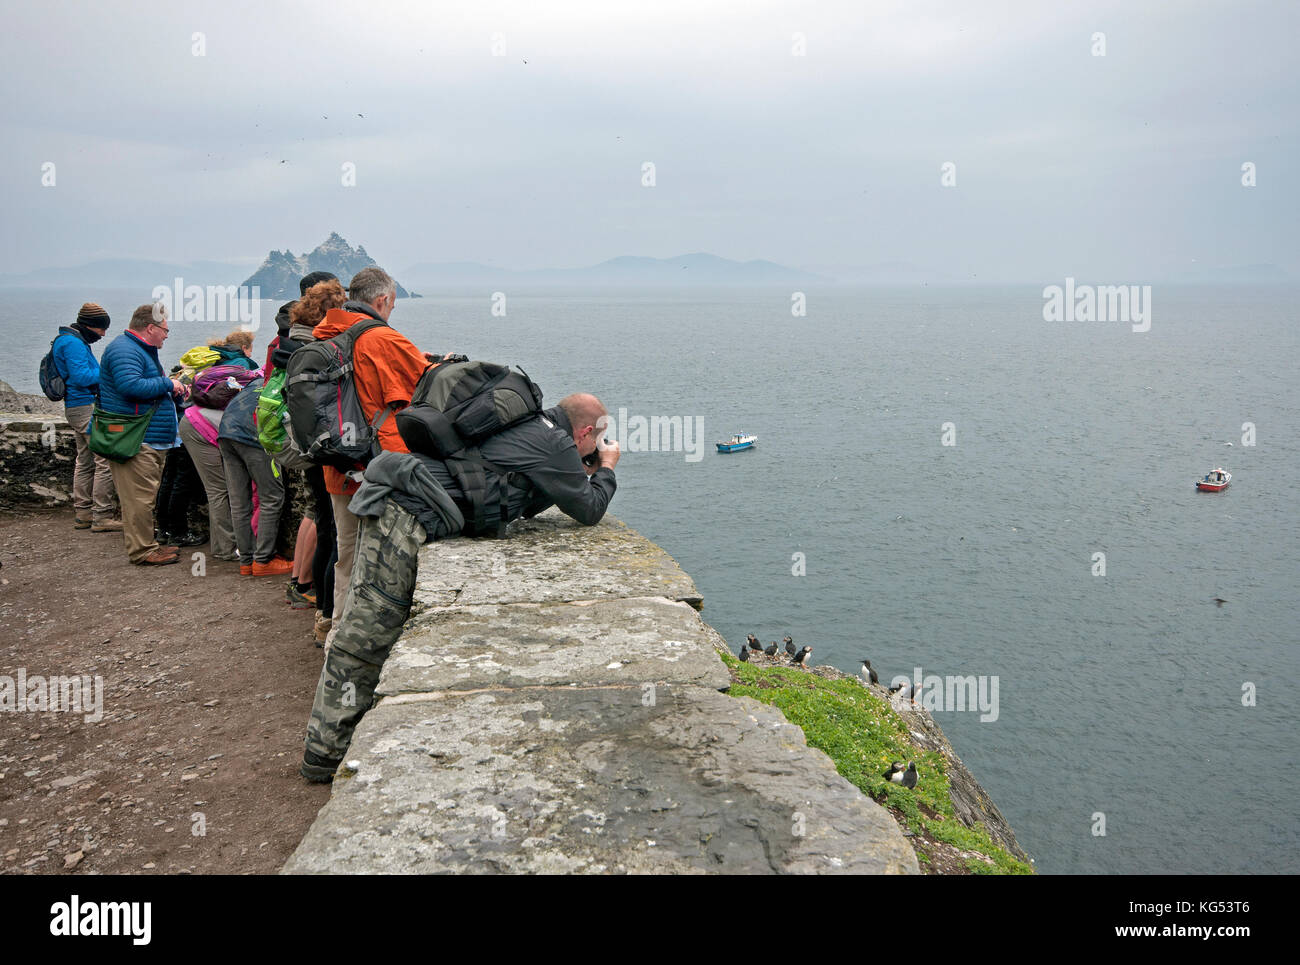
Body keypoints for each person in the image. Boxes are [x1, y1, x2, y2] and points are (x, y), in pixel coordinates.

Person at [301, 392, 620, 782]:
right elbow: (589, 510)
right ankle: (324, 753)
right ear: (586, 431)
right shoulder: (553, 443)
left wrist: (580, 465)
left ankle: (335, 741)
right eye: (595, 439)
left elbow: (530, 494)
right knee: (367, 632)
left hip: (399, 499)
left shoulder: (529, 425)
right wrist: (606, 467)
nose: (594, 447)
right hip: (404, 513)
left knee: (369, 627)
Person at [312, 266, 431, 648]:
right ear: (381, 301)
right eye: (392, 304)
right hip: (379, 467)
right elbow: (425, 385)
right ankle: (368, 645)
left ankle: (334, 633)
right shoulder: (384, 337)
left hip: (338, 465)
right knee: (385, 557)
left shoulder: (326, 333)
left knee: (346, 554)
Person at [97, 304, 188, 565]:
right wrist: (168, 383)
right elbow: (130, 386)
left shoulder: (135, 349)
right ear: (151, 327)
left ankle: (148, 545)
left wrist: (170, 389)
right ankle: (143, 550)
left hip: (145, 434)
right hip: (137, 436)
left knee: (144, 495)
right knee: (139, 498)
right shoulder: (126, 350)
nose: (167, 335)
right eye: (165, 330)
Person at [52, 302, 121, 532]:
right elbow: (82, 377)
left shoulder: (69, 340)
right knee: (104, 459)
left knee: (84, 461)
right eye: (101, 329)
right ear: (90, 325)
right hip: (85, 407)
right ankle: (102, 516)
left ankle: (83, 513)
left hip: (75, 407)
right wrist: (110, 371)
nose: (102, 334)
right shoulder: (73, 343)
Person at [217, 377, 293, 576]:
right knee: (272, 496)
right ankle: (263, 560)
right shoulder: (291, 379)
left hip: (226, 431)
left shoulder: (261, 379)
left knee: (239, 502)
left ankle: (246, 560)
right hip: (253, 435)